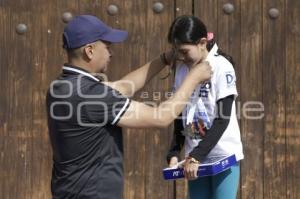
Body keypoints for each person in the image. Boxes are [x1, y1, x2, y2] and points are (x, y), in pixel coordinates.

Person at [46, 15, 212, 198]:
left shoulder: (62, 87)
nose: (111, 53)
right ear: (89, 51)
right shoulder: (92, 95)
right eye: (107, 47)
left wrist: (164, 59)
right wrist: (194, 77)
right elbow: (161, 117)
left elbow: (124, 87)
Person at [166, 15, 244, 199]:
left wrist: (196, 156)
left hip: (222, 157)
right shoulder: (183, 70)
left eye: (184, 52)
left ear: (202, 43)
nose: (180, 57)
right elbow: (180, 114)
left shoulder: (222, 67)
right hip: (195, 160)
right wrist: (175, 151)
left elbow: (222, 119)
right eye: (176, 52)